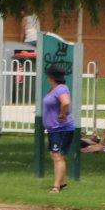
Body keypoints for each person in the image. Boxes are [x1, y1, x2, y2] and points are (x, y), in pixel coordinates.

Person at [42, 64, 77, 193]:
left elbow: (66, 102)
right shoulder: (54, 89)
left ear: (51, 76)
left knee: (57, 155)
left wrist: (62, 114)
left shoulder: (61, 89)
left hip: (61, 128)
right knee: (56, 155)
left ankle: (56, 186)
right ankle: (62, 183)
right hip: (54, 129)